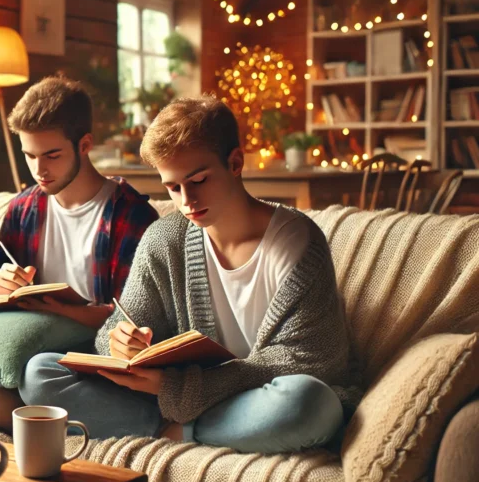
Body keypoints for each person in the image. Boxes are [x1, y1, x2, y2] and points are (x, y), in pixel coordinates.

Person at [19, 96, 362, 454]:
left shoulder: (296, 240)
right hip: (190, 398)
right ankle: (191, 430)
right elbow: (114, 331)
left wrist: (179, 390)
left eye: (198, 180)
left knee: (308, 404)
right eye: (173, 187)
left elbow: (313, 362)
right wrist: (120, 343)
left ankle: (182, 430)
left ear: (235, 163)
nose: (187, 201)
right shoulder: (165, 238)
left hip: (259, 398)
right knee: (40, 373)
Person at [0, 76, 160, 429]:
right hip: (30, 345)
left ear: (85, 144)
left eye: (51, 155)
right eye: (29, 155)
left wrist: (61, 311)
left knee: (37, 378)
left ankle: (149, 421)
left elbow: (131, 322)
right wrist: (1, 289)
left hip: (93, 357)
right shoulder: (24, 209)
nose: (39, 170)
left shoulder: (131, 215)